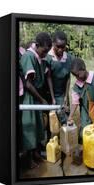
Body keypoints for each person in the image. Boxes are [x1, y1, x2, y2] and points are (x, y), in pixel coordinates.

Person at [20, 32, 55, 169]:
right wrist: (41, 100)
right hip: (29, 98)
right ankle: (28, 160)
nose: (45, 54)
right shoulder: (29, 56)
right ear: (37, 45)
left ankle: (36, 154)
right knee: (29, 128)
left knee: (37, 127)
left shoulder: (40, 57)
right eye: (44, 50)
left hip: (36, 96)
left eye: (47, 51)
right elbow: (28, 84)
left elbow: (46, 77)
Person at [68, 57, 94, 143]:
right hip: (85, 110)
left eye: (77, 74)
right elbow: (74, 103)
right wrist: (70, 116)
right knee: (85, 132)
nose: (77, 78)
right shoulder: (77, 86)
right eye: (74, 76)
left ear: (83, 69)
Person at [46, 31, 73, 108]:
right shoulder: (48, 57)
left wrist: (66, 96)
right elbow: (48, 77)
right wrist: (53, 98)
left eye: (63, 47)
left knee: (64, 114)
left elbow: (68, 77)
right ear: (53, 44)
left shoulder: (69, 58)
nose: (60, 50)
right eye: (58, 46)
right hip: (49, 94)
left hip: (62, 94)